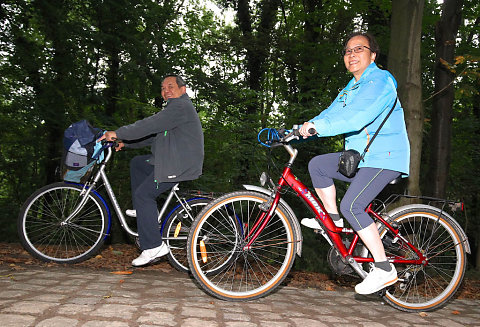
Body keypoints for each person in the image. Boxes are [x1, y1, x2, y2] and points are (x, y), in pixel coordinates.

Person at [298, 32, 410, 295]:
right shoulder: (351, 88)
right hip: (363, 158)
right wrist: (300, 129)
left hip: (385, 157)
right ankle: (334, 221)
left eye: (359, 49)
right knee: (318, 166)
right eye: (348, 51)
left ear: (372, 55)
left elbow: (357, 118)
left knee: (353, 204)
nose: (352, 54)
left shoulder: (381, 81)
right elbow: (331, 114)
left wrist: (319, 126)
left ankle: (384, 269)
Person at [98, 75, 204, 267]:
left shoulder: (180, 107)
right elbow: (154, 135)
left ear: (183, 89)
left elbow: (149, 125)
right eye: (163, 88)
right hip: (171, 160)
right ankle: (147, 212)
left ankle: (154, 246)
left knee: (143, 194)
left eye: (170, 86)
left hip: (177, 165)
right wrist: (126, 143)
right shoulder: (174, 110)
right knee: (138, 163)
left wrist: (118, 133)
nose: (166, 91)